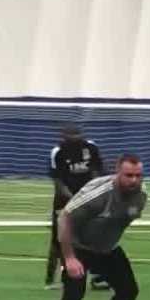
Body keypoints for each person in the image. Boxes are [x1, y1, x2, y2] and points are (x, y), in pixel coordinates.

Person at [47, 154, 147, 300]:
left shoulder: (140, 197)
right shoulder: (99, 194)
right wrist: (70, 258)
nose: (134, 180)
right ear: (117, 172)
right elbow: (65, 217)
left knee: (128, 290)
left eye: (138, 175)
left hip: (106, 249)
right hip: (77, 247)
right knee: (73, 295)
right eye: (129, 175)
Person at [45, 122, 104, 289]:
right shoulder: (58, 152)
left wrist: (93, 193)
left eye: (77, 137)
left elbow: (97, 173)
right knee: (59, 241)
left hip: (89, 199)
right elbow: (58, 182)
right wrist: (74, 200)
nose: (75, 141)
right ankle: (51, 279)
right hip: (65, 201)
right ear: (63, 137)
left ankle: (98, 276)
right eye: (70, 138)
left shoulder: (91, 148)